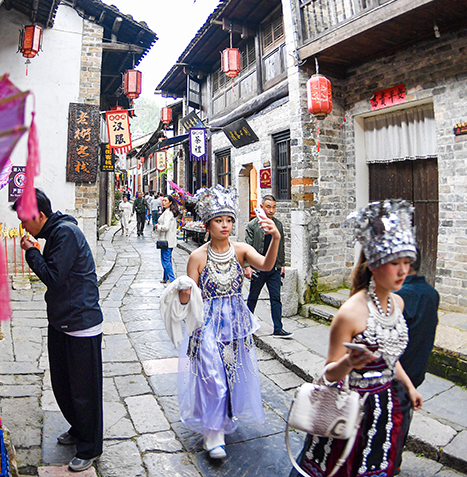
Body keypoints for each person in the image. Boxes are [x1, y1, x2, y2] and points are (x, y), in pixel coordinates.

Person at [290, 200, 422, 477]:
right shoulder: (350, 313)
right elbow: (327, 376)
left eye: (406, 262)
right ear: (373, 264)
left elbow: (389, 356)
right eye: (393, 263)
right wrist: (349, 362)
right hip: (349, 407)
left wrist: (408, 386)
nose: (402, 271)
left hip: (385, 406)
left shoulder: (398, 304)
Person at [177, 185, 280, 460]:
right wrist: (183, 291)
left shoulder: (242, 250)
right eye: (219, 220)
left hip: (235, 324)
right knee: (212, 377)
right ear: (207, 225)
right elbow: (188, 300)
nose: (225, 225)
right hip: (205, 325)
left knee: (230, 377)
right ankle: (213, 435)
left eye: (229, 220)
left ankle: (221, 417)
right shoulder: (196, 257)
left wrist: (276, 239)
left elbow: (267, 266)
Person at [15, 188, 103, 473]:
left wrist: (31, 252)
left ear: (40, 216)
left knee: (83, 390)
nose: (23, 227)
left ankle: (90, 446)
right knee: (63, 384)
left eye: (25, 220)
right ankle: (79, 429)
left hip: (80, 322)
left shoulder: (64, 234)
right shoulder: (54, 233)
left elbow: (52, 276)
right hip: (62, 321)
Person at [392, 248, 439, 474]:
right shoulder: (431, 293)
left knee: (386, 426)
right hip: (415, 373)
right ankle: (396, 461)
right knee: (402, 421)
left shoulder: (399, 297)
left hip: (393, 374)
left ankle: (387, 464)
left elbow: (386, 348)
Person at [245, 195, 291, 337]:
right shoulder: (253, 225)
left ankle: (278, 328)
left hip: (274, 269)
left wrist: (282, 264)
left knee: (276, 298)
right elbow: (247, 246)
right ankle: (246, 324)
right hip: (258, 268)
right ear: (262, 207)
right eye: (268, 207)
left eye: (273, 207)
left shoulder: (278, 224)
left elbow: (281, 246)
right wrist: (247, 266)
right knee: (253, 297)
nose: (271, 210)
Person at [156, 195, 180, 283]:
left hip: (166, 240)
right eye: (163, 201)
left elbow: (165, 227)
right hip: (168, 240)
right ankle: (165, 277)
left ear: (170, 202)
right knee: (167, 258)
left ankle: (172, 279)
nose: (163, 202)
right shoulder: (168, 212)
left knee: (166, 260)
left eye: (165, 201)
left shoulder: (168, 213)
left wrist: (158, 226)